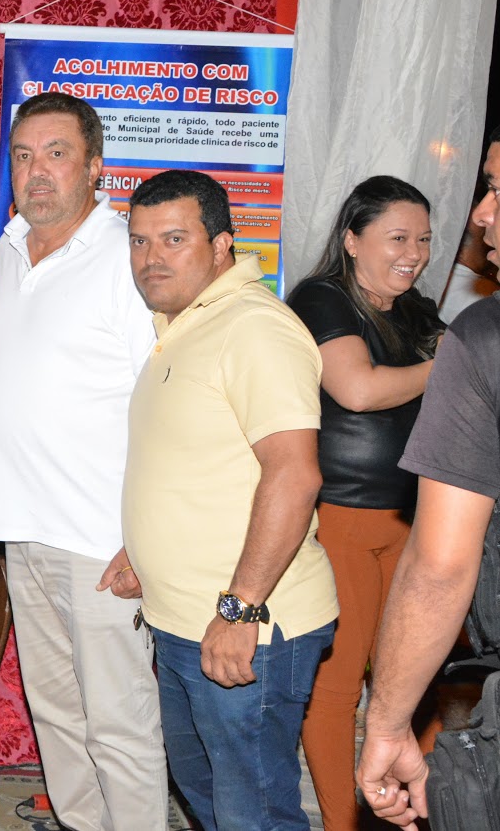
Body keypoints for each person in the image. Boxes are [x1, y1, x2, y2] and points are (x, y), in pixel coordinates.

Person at [123, 168, 338, 831]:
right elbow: (195, 463)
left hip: (248, 626)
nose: (152, 257)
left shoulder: (254, 328)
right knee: (207, 793)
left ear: (222, 245)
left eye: (174, 238)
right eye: (139, 240)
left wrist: (240, 608)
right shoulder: (183, 325)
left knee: (254, 812)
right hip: (183, 620)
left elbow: (294, 475)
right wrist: (141, 548)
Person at [0, 91, 167, 831]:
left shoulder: (126, 257)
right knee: (57, 717)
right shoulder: (10, 248)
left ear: (94, 166)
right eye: (23, 156)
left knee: (120, 724)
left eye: (57, 154)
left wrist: (144, 539)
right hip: (23, 534)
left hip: (101, 543)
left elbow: (165, 404)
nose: (37, 171)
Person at [286, 176, 444, 831]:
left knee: (415, 676)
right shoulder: (321, 297)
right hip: (341, 519)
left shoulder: (417, 311)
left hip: (417, 520)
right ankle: (341, 823)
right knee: (339, 683)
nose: (415, 253)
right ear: (352, 239)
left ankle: (414, 815)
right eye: (398, 237)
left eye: (424, 240)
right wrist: (450, 366)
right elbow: (356, 389)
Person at [359, 129, 500, 827]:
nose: (480, 213)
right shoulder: (324, 304)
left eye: (498, 190)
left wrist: (387, 725)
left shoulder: (481, 336)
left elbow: (442, 564)